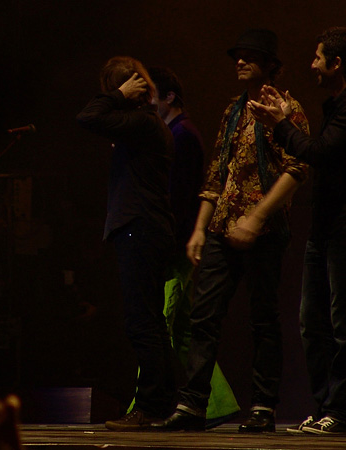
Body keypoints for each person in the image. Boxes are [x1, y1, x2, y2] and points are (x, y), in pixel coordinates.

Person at [153, 29, 309, 432]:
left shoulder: (287, 108)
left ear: (270, 64)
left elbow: (298, 168)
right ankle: (193, 404)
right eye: (237, 55)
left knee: (263, 319)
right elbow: (217, 173)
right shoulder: (233, 110)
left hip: (264, 229)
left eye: (249, 56)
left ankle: (263, 406)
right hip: (223, 226)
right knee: (203, 316)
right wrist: (199, 229)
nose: (240, 61)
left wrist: (257, 218)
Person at [248, 27, 346, 435]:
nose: (312, 65)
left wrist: (281, 123)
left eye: (318, 57)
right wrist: (284, 118)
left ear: (336, 63)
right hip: (326, 230)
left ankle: (341, 412)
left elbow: (318, 154)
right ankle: (326, 407)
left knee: (345, 324)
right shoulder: (338, 106)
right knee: (312, 322)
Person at [76, 56, 176, 430]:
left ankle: (149, 407)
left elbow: (87, 117)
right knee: (150, 320)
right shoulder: (146, 124)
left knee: (142, 322)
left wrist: (117, 95)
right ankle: (161, 404)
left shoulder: (142, 123)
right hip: (146, 227)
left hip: (140, 227)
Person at [147, 66, 241, 427]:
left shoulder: (182, 134)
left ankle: (151, 404)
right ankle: (216, 403)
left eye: (151, 95)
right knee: (180, 326)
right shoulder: (174, 132)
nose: (147, 103)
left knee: (162, 322)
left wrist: (173, 240)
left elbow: (180, 195)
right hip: (179, 240)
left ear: (169, 97)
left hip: (178, 243)